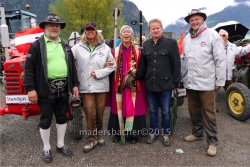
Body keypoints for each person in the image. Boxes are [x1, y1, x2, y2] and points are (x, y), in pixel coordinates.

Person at [23, 13, 79, 163]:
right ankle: (46, 147)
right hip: (44, 88)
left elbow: (72, 67)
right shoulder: (36, 46)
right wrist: (30, 89)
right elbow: (29, 69)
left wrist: (75, 84)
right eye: (51, 25)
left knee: (62, 118)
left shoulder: (65, 45)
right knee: (46, 119)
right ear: (45, 27)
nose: (55, 27)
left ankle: (60, 145)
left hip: (63, 88)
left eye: (57, 25)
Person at [181, 9, 226, 157]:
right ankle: (197, 133)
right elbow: (184, 60)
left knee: (209, 112)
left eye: (197, 19)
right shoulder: (187, 38)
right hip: (191, 82)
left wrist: (220, 80)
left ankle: (212, 142)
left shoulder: (213, 35)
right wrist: (182, 78)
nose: (194, 22)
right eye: (191, 20)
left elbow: (220, 59)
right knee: (193, 109)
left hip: (207, 82)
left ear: (202, 19)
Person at [71, 22, 116, 153]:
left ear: (97, 31)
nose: (90, 32)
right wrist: (74, 82)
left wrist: (99, 73)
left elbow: (112, 66)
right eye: (87, 30)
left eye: (92, 30)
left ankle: (98, 135)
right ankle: (92, 138)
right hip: (86, 86)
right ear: (85, 32)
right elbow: (70, 63)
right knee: (90, 113)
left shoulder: (105, 48)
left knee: (100, 114)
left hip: (101, 86)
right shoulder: (77, 47)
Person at [136, 18, 181, 146]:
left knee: (166, 111)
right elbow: (143, 65)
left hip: (166, 85)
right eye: (153, 28)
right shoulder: (146, 45)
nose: (155, 30)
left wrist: (176, 83)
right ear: (149, 30)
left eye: (158, 28)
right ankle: (154, 132)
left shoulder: (170, 43)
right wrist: (135, 76)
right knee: (153, 111)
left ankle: (166, 134)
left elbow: (176, 64)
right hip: (150, 84)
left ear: (161, 28)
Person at [107, 25, 148, 144]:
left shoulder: (139, 53)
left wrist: (137, 72)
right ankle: (118, 133)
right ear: (120, 36)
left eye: (128, 32)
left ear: (131, 36)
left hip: (134, 86)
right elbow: (109, 68)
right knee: (118, 109)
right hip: (119, 86)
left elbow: (143, 70)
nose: (126, 34)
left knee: (134, 108)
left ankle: (133, 134)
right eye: (124, 32)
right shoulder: (113, 52)